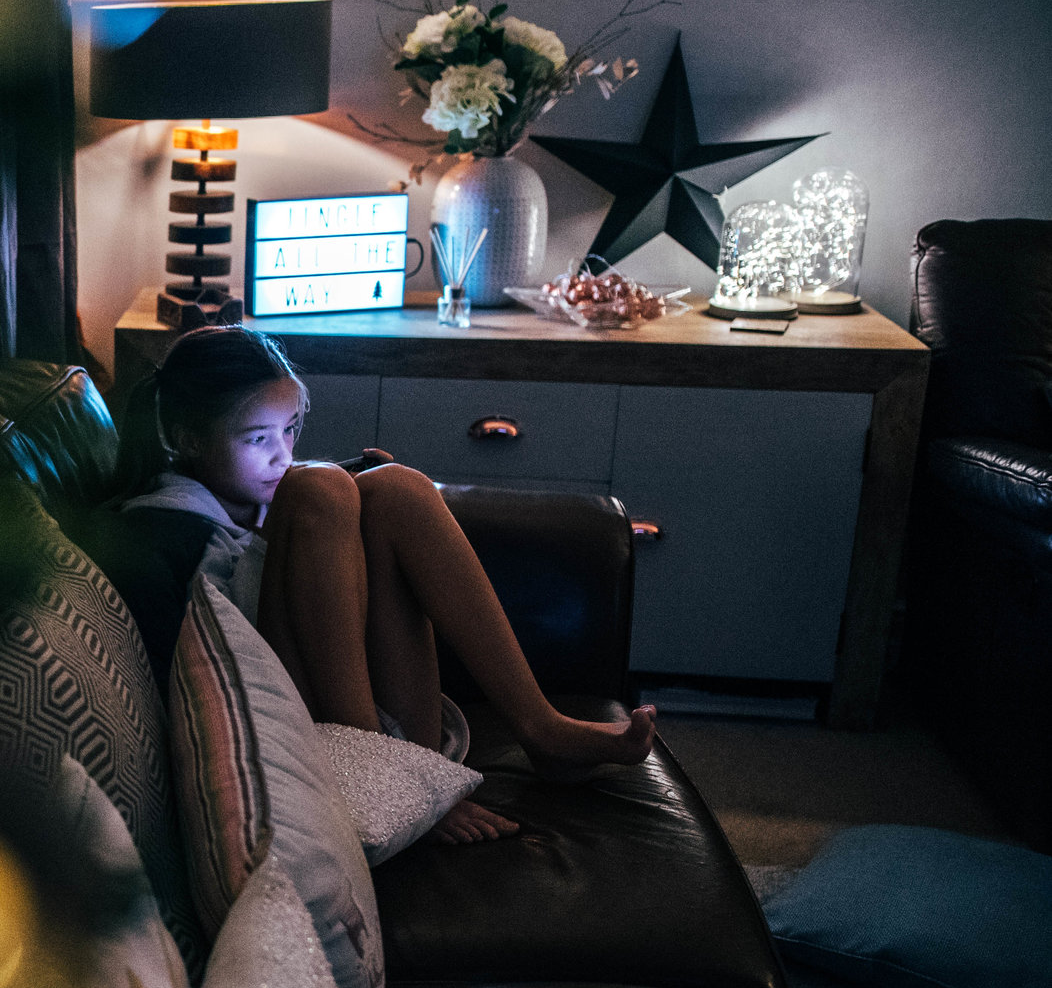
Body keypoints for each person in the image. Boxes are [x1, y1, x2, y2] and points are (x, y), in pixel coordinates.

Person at [114, 325, 656, 844]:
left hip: (361, 709)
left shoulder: (256, 499)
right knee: (320, 487)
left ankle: (541, 728)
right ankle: (387, 783)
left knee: (394, 488)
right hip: (286, 726)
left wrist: (344, 510)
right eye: (258, 438)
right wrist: (319, 507)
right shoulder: (159, 531)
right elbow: (205, 669)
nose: (281, 454)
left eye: (291, 428)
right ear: (187, 440)